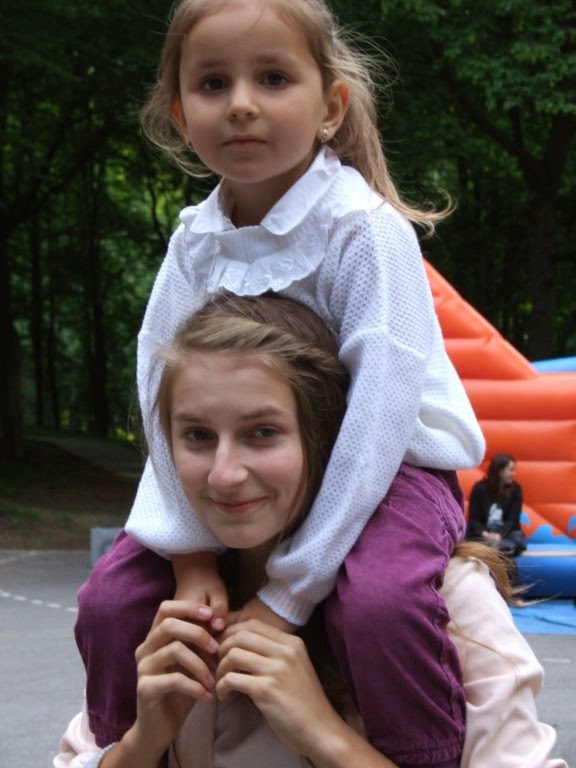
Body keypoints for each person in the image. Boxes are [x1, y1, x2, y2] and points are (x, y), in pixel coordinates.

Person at [76, 0, 487, 764]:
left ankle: (422, 754)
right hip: (265, 458)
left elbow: (377, 420)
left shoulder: (363, 229)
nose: (240, 104)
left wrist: (286, 595)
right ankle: (127, 748)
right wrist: (193, 557)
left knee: (381, 602)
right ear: (180, 114)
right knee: (108, 601)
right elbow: (161, 401)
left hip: (394, 467)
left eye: (272, 78)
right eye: (212, 83)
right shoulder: (194, 244)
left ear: (331, 107)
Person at [56, 295, 566, 768]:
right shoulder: (155, 603)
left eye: (263, 433)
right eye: (198, 435)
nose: (224, 474)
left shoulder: (438, 597)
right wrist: (142, 742)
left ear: (328, 439)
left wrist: (325, 735)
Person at [466, 453, 527, 557]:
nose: (514, 473)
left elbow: (513, 519)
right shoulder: (479, 488)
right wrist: (485, 534)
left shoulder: (516, 489)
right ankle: (499, 549)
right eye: (511, 470)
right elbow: (474, 518)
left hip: (506, 535)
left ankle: (498, 548)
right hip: (483, 534)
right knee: (474, 542)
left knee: (517, 540)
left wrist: (499, 535)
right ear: (499, 471)